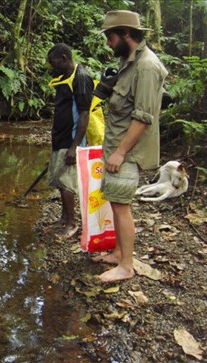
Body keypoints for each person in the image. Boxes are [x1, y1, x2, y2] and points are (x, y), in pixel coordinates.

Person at [92, 10, 168, 282]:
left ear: (125, 33)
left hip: (127, 151)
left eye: (110, 37)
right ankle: (117, 252)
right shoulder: (129, 62)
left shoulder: (147, 66)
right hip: (116, 147)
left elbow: (143, 117)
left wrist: (121, 152)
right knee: (115, 201)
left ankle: (126, 266)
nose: (108, 43)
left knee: (122, 206)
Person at [46, 43, 94, 239]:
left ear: (64, 58)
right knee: (59, 180)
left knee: (67, 183)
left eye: (54, 62)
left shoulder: (81, 77)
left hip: (71, 140)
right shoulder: (64, 78)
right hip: (60, 138)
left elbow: (84, 114)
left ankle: (72, 223)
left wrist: (74, 147)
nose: (52, 66)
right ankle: (64, 218)